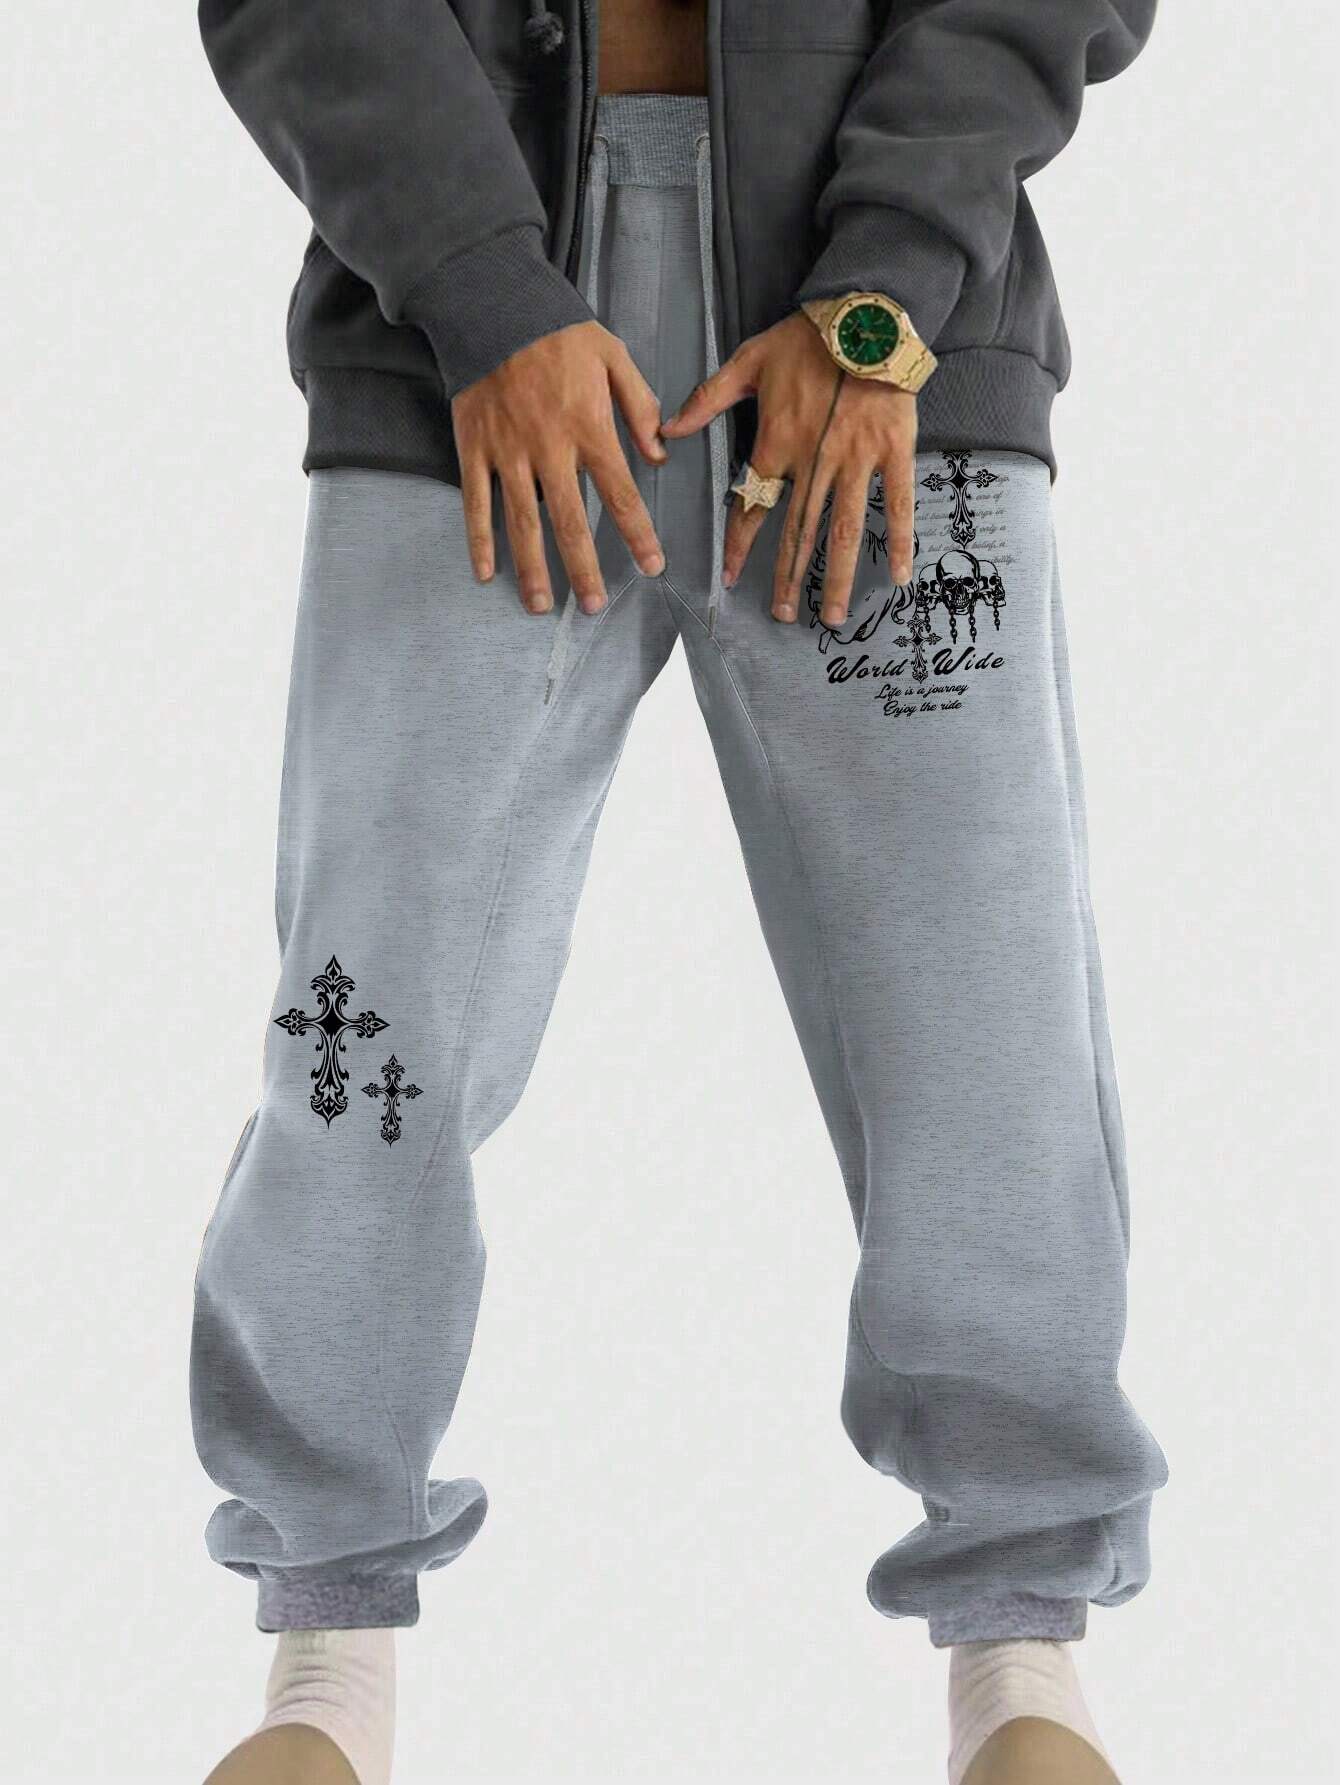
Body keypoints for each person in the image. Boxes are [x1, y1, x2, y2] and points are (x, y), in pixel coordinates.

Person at [193, 3, 1167, 1781]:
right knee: (370, 1024)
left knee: (984, 1033)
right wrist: (484, 293)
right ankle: (325, 1664)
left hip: (882, 373)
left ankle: (1022, 1660)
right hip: (459, 368)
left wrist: (880, 296)